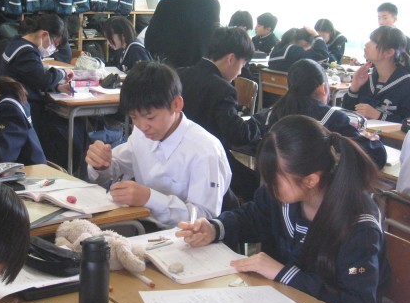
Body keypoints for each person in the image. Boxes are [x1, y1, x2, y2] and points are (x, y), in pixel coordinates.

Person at [178, 115, 389, 303]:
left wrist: (282, 273)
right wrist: (215, 228)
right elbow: (254, 216)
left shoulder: (359, 226)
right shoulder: (285, 194)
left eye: (274, 177)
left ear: (310, 180)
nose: (268, 185)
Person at [86, 61, 231, 227]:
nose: (142, 126)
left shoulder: (205, 150)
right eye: (134, 117)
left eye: (150, 117)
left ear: (176, 105)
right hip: (142, 226)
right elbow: (116, 168)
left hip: (184, 236)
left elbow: (205, 219)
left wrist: (150, 199)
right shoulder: (141, 133)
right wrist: (101, 165)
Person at [253, 58, 387, 168]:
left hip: (274, 186)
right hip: (317, 189)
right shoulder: (333, 118)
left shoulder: (272, 113)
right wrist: (371, 141)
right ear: (323, 88)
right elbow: (377, 157)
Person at [178, 26, 262, 201]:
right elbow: (237, 135)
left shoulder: (180, 74)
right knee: (257, 185)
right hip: (208, 162)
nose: (240, 72)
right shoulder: (223, 89)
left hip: (177, 158)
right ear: (231, 59)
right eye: (242, 64)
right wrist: (261, 120)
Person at [0, 14, 82, 170]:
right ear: (44, 34)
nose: (53, 50)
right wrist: (62, 73)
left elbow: (31, 77)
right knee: (72, 133)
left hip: (17, 104)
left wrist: (57, 87)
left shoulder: (16, 43)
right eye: (54, 44)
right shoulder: (26, 52)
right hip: (25, 109)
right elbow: (43, 79)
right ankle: (67, 170)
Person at [343, 26, 410, 123]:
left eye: (373, 41)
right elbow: (347, 114)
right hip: (362, 132)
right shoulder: (367, 78)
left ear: (389, 52)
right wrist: (354, 88)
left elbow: (407, 122)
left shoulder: (406, 83)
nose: (366, 44)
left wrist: (379, 115)